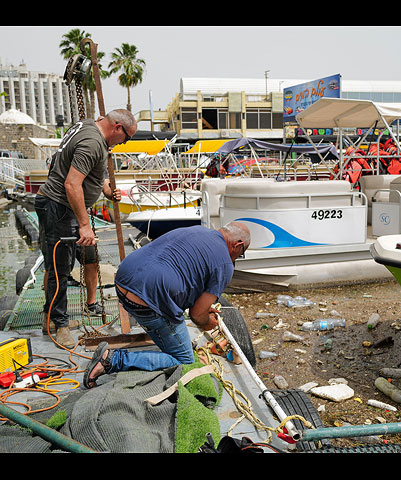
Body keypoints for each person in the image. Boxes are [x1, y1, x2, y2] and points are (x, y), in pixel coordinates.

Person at [83, 222, 250, 389]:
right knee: (184, 361)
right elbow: (197, 315)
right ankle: (112, 360)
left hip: (122, 283)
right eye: (241, 254)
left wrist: (203, 310)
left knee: (174, 335)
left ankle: (173, 341)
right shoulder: (225, 265)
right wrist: (208, 322)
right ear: (238, 245)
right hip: (147, 303)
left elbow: (187, 273)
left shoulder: (197, 230)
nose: (237, 258)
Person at [36, 109, 137, 348]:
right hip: (59, 206)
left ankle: (51, 318)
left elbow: (92, 172)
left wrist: (107, 190)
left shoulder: (88, 129)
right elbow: (72, 184)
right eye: (126, 138)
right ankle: (59, 325)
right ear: (117, 128)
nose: (123, 144)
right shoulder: (93, 142)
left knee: (61, 265)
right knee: (60, 268)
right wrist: (84, 225)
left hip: (61, 206)